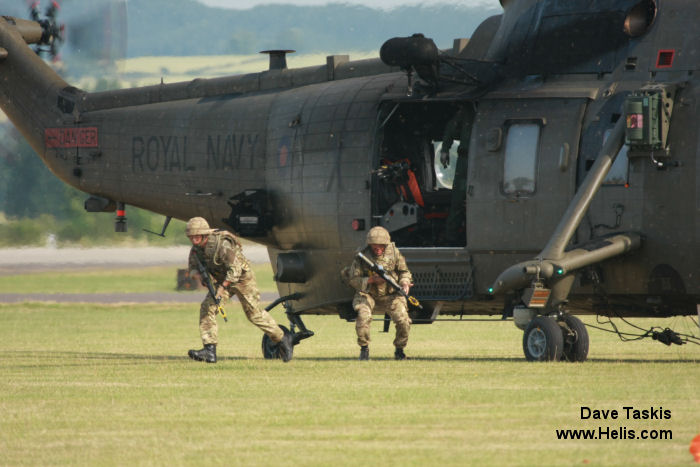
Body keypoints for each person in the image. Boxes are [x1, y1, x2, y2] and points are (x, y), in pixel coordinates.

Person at [185, 217, 293, 363]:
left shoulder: (221, 244)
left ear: (204, 234)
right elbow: (192, 268)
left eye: (196, 235)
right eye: (191, 236)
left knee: (254, 315)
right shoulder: (196, 250)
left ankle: (282, 339)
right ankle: (209, 350)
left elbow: (235, 269)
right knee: (207, 307)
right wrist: (199, 276)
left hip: (242, 278)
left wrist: (222, 288)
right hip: (223, 280)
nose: (193, 238)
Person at [346, 226, 413, 360]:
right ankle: (364, 349)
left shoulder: (394, 253)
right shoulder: (362, 257)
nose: (377, 249)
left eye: (380, 246)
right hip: (368, 294)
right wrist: (371, 280)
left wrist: (405, 283)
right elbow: (353, 279)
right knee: (363, 317)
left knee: (404, 320)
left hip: (391, 295)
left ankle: (399, 350)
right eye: (373, 246)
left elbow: (404, 272)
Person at [440, 104, 475, 245]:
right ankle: (451, 238)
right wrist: (444, 149)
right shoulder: (468, 110)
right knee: (458, 201)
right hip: (466, 159)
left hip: (482, 158)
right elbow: (451, 127)